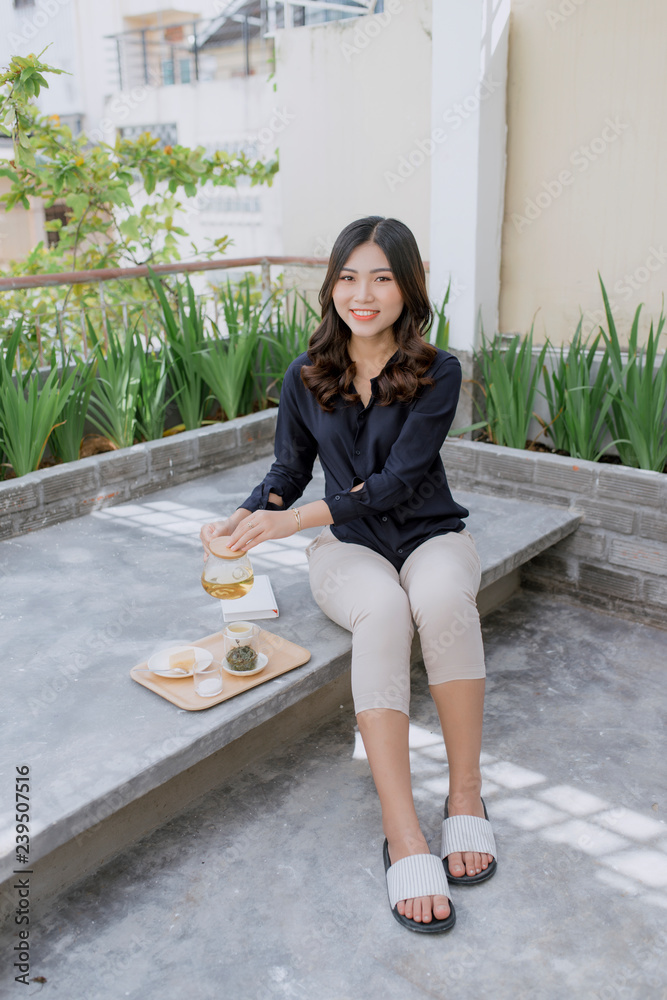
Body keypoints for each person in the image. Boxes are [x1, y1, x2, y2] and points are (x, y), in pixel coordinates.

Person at [200, 216, 496, 934]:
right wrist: (242, 518)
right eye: (347, 276)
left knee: (439, 596)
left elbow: (399, 482)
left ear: (407, 288)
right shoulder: (305, 376)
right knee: (384, 612)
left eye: (382, 277)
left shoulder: (437, 370)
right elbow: (286, 473)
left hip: (428, 533)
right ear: (332, 284)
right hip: (347, 547)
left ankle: (464, 795)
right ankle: (403, 832)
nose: (362, 294)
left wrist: (293, 520)